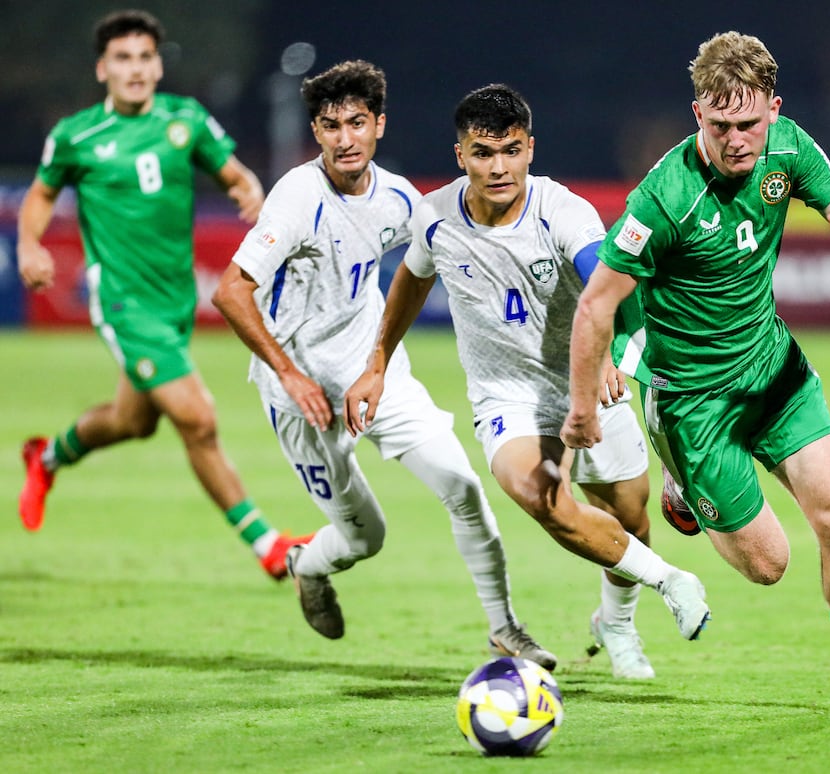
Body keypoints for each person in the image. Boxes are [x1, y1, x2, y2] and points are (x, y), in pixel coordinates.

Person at [561, 31, 830, 713]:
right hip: (694, 403)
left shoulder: (789, 147)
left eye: (750, 123)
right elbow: (596, 305)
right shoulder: (663, 198)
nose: (737, 140)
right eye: (721, 124)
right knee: (769, 566)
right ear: (698, 113)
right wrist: (585, 405)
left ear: (774, 110)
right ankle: (681, 479)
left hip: (771, 370)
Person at [343, 83, 711, 679]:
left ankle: (614, 624)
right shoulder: (435, 219)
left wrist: (616, 358)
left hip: (590, 383)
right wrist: (377, 363)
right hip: (507, 399)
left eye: (510, 151)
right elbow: (411, 281)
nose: (498, 167)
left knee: (630, 522)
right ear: (460, 155)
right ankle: (672, 582)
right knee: (540, 495)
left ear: (530, 149)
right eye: (483, 153)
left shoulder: (563, 213)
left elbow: (614, 285)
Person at [212, 62, 556, 667]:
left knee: (464, 487)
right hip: (302, 398)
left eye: (357, 123)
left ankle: (505, 627)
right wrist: (290, 376)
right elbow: (231, 292)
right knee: (364, 538)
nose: (345, 138)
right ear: (316, 132)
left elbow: (438, 253)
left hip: (376, 378)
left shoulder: (399, 199)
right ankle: (305, 565)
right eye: (330, 125)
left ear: (379, 125)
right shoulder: (296, 198)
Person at [15, 9, 309, 579]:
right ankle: (267, 545)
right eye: (123, 59)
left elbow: (235, 174)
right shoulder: (76, 135)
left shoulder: (186, 120)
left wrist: (250, 191)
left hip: (174, 299)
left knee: (134, 421)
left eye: (145, 57)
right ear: (103, 68)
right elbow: (39, 195)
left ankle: (45, 456)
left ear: (157, 64)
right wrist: (29, 244)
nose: (136, 69)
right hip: (122, 300)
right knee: (196, 417)